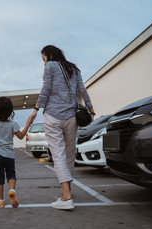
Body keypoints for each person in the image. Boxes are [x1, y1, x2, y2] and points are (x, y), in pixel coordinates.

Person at [29, 45, 95, 210]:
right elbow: (82, 89)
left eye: (44, 59)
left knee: (58, 155)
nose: (44, 63)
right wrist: (91, 108)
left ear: (49, 55)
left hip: (52, 115)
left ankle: (66, 197)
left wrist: (36, 109)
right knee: (69, 155)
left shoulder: (50, 66)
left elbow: (46, 89)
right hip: (71, 117)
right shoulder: (74, 68)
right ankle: (68, 191)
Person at [0, 97, 32, 208]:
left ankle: (1, 201)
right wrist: (28, 124)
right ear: (10, 111)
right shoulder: (13, 124)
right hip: (9, 155)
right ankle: (12, 190)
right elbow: (21, 136)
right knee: (11, 174)